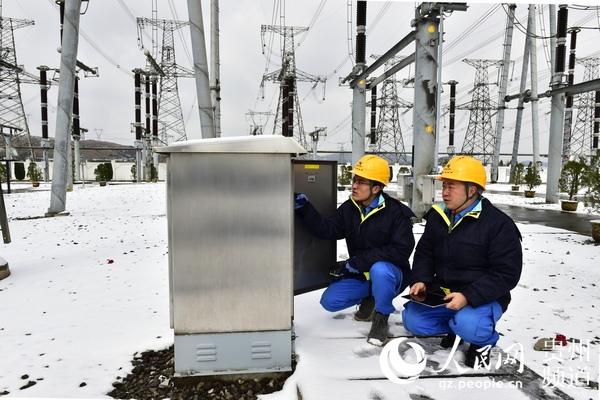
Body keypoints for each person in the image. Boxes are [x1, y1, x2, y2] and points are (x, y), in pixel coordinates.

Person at [402, 155, 522, 368]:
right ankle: (454, 327)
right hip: (445, 293)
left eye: (452, 187)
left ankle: (481, 342)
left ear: (472, 190)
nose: (445, 192)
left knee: (469, 324)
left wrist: (468, 296)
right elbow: (425, 253)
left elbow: (506, 273)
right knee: (413, 320)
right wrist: (420, 279)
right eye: (444, 186)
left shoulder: (498, 225)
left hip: (483, 296)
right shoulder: (439, 216)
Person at [295, 155, 415, 346]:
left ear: (376, 188)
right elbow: (329, 229)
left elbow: (401, 250)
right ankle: (371, 298)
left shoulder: (396, 213)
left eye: (361, 182)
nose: (354, 186)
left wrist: (358, 262)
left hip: (392, 275)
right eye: (354, 180)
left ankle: (381, 317)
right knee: (330, 301)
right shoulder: (350, 208)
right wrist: (305, 208)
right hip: (362, 273)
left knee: (380, 270)